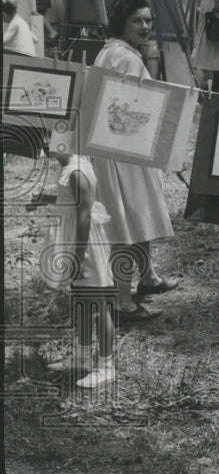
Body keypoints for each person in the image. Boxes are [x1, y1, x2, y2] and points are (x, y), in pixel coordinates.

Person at [91, 0, 178, 321]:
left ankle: (149, 277)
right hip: (124, 150)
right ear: (122, 24)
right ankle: (121, 300)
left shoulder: (111, 50)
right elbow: (141, 106)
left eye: (148, 21)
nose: (145, 27)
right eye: (137, 21)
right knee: (126, 221)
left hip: (119, 147)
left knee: (137, 214)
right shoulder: (126, 57)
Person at [42, 150, 116, 388]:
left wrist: (78, 257)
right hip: (76, 244)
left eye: (52, 138)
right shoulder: (73, 167)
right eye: (44, 137)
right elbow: (71, 204)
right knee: (83, 304)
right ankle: (82, 358)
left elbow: (83, 216)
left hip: (85, 249)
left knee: (97, 305)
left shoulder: (77, 171)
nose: (46, 144)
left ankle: (106, 366)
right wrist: (47, 197)